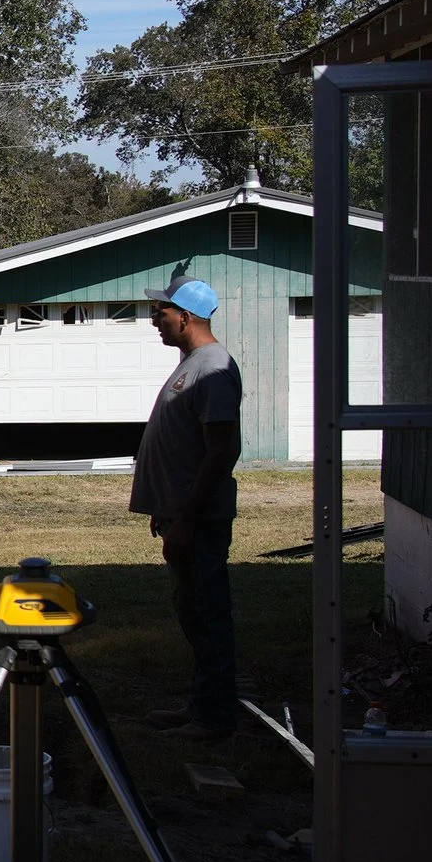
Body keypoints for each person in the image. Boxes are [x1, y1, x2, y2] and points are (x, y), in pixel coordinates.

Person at [130, 278, 243, 738]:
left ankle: (213, 718)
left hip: (200, 521)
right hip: (181, 516)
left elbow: (222, 450)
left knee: (207, 613)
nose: (154, 321)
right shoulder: (192, 365)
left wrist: (188, 519)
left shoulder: (213, 368)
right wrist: (165, 509)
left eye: (160, 313)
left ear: (185, 316)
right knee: (192, 611)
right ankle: (201, 706)